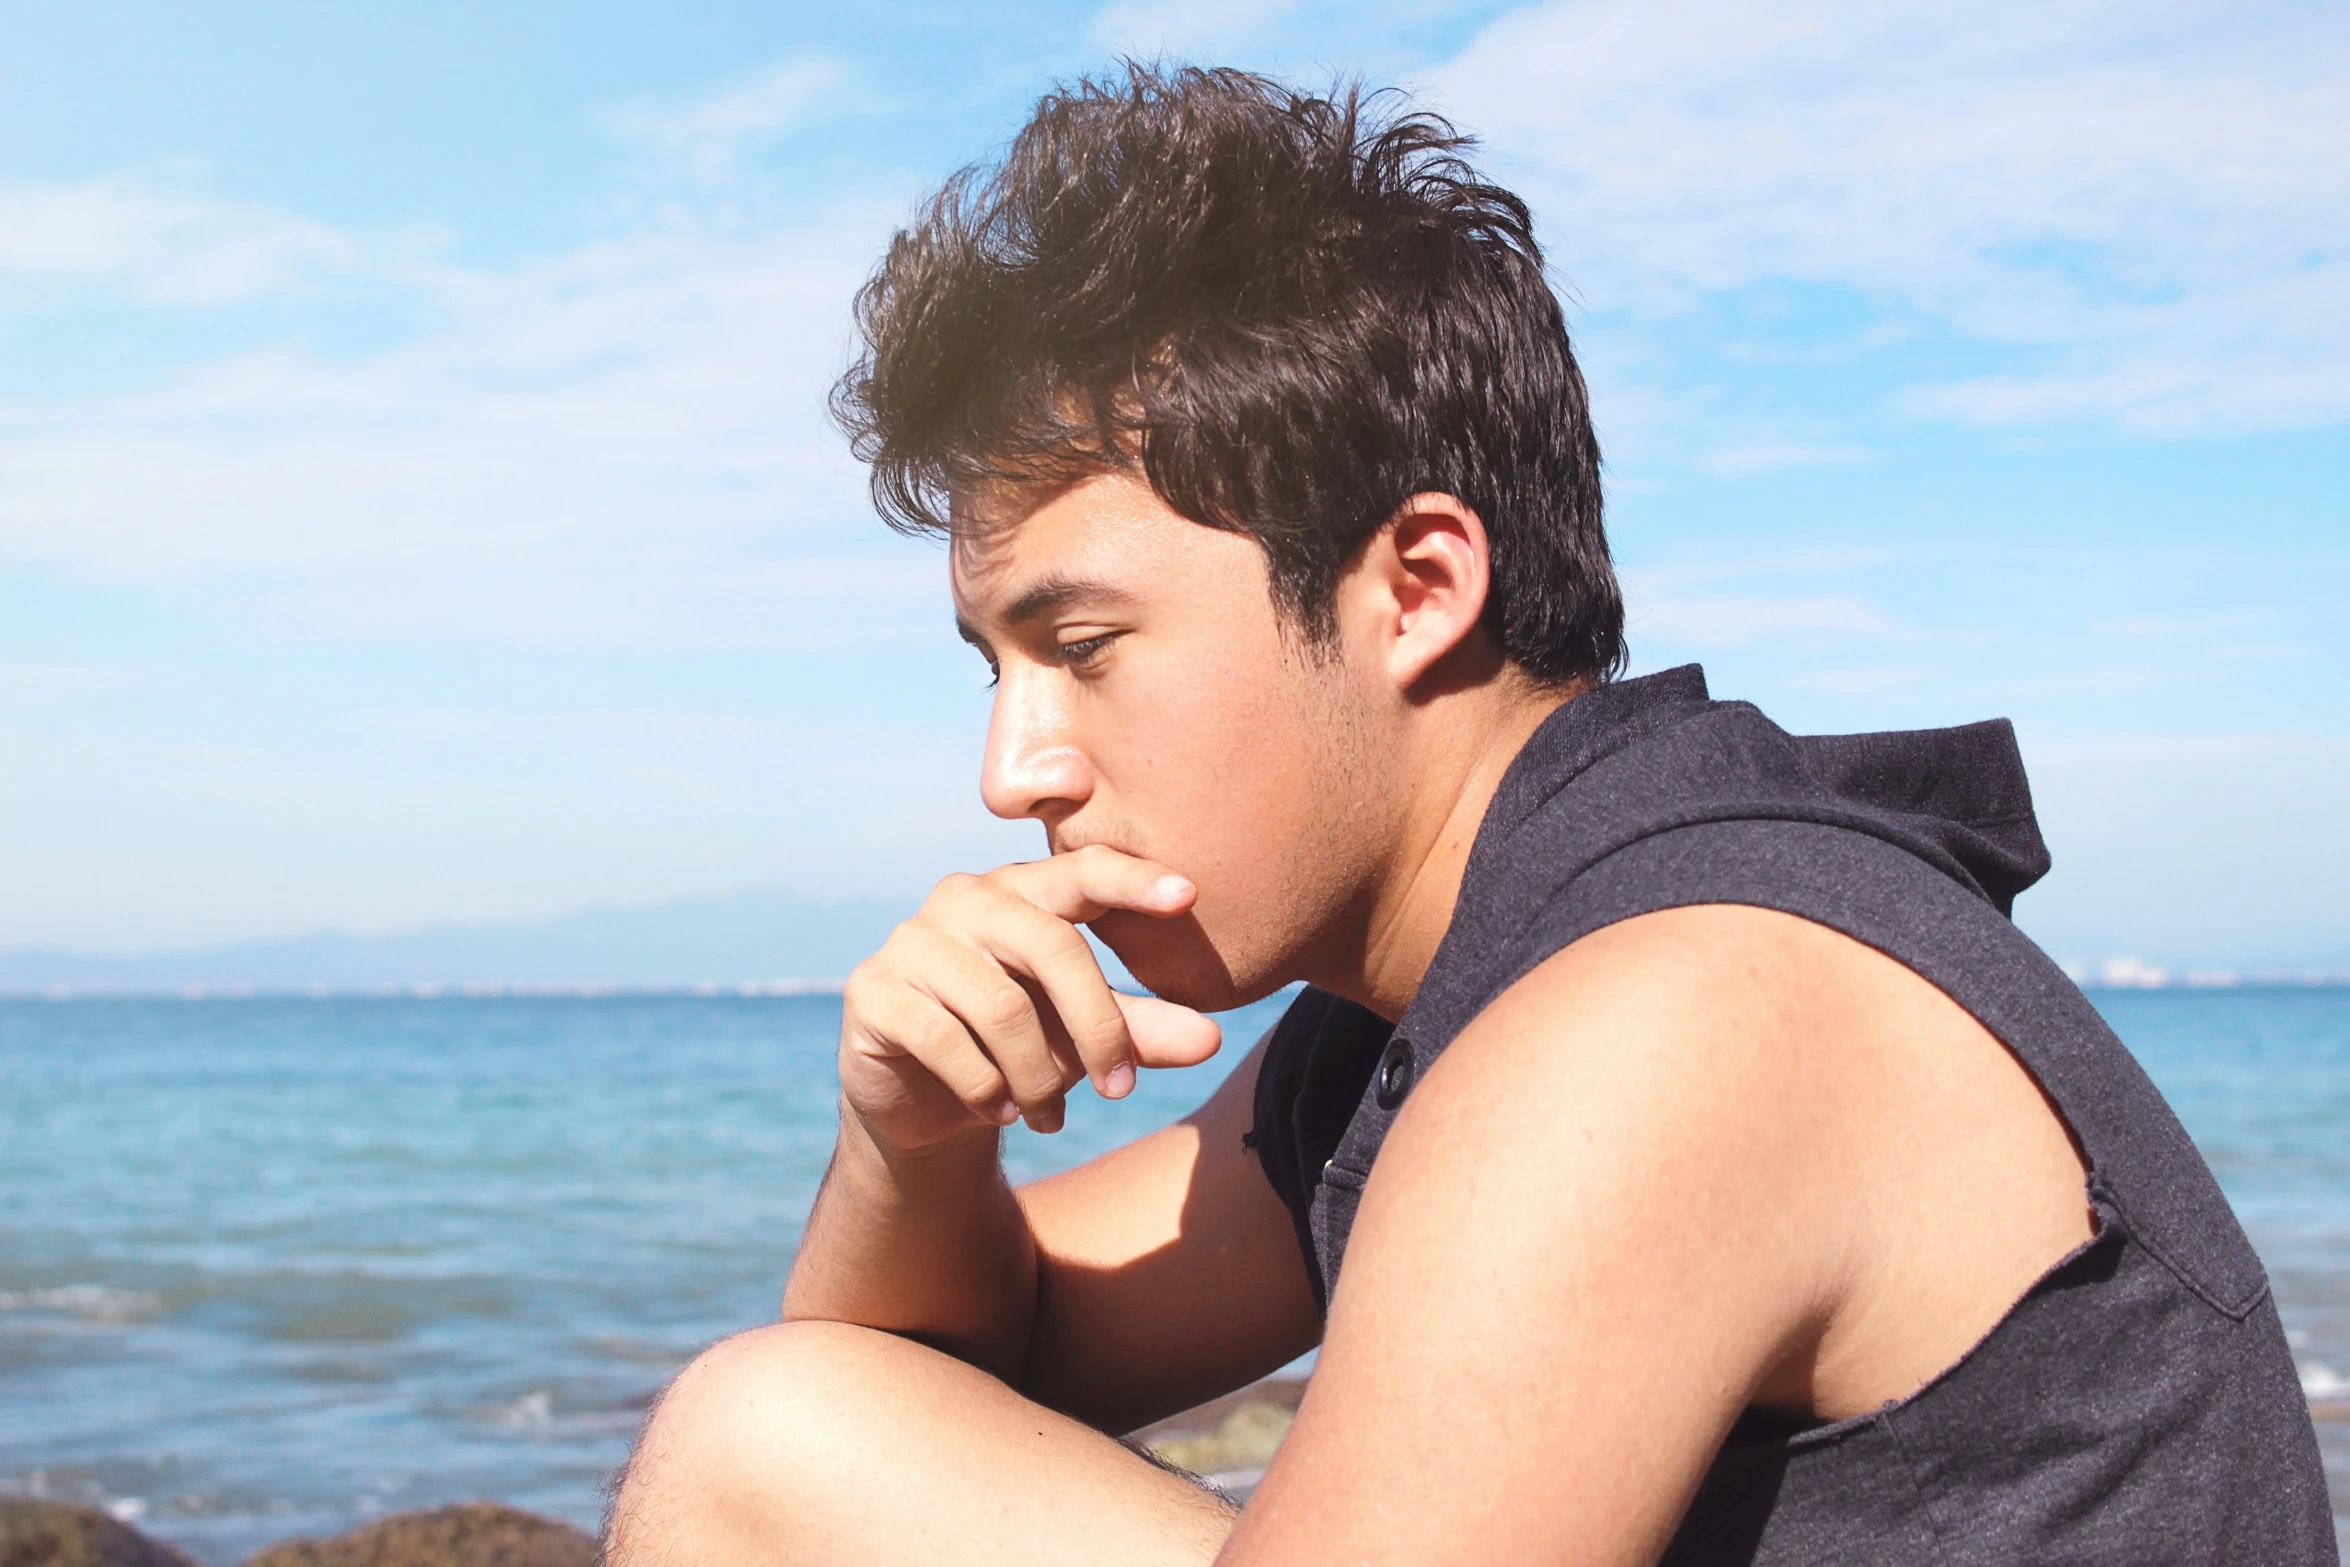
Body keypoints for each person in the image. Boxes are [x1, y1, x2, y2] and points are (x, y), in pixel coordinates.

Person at [603, 65, 2335, 1566]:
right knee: (780, 1426)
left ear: (1416, 586)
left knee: (759, 1440)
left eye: (1082, 647)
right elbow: (946, 1390)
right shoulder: (1438, 1004)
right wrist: (914, 1141)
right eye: (990, 669)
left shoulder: (1665, 1010)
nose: (1015, 768)